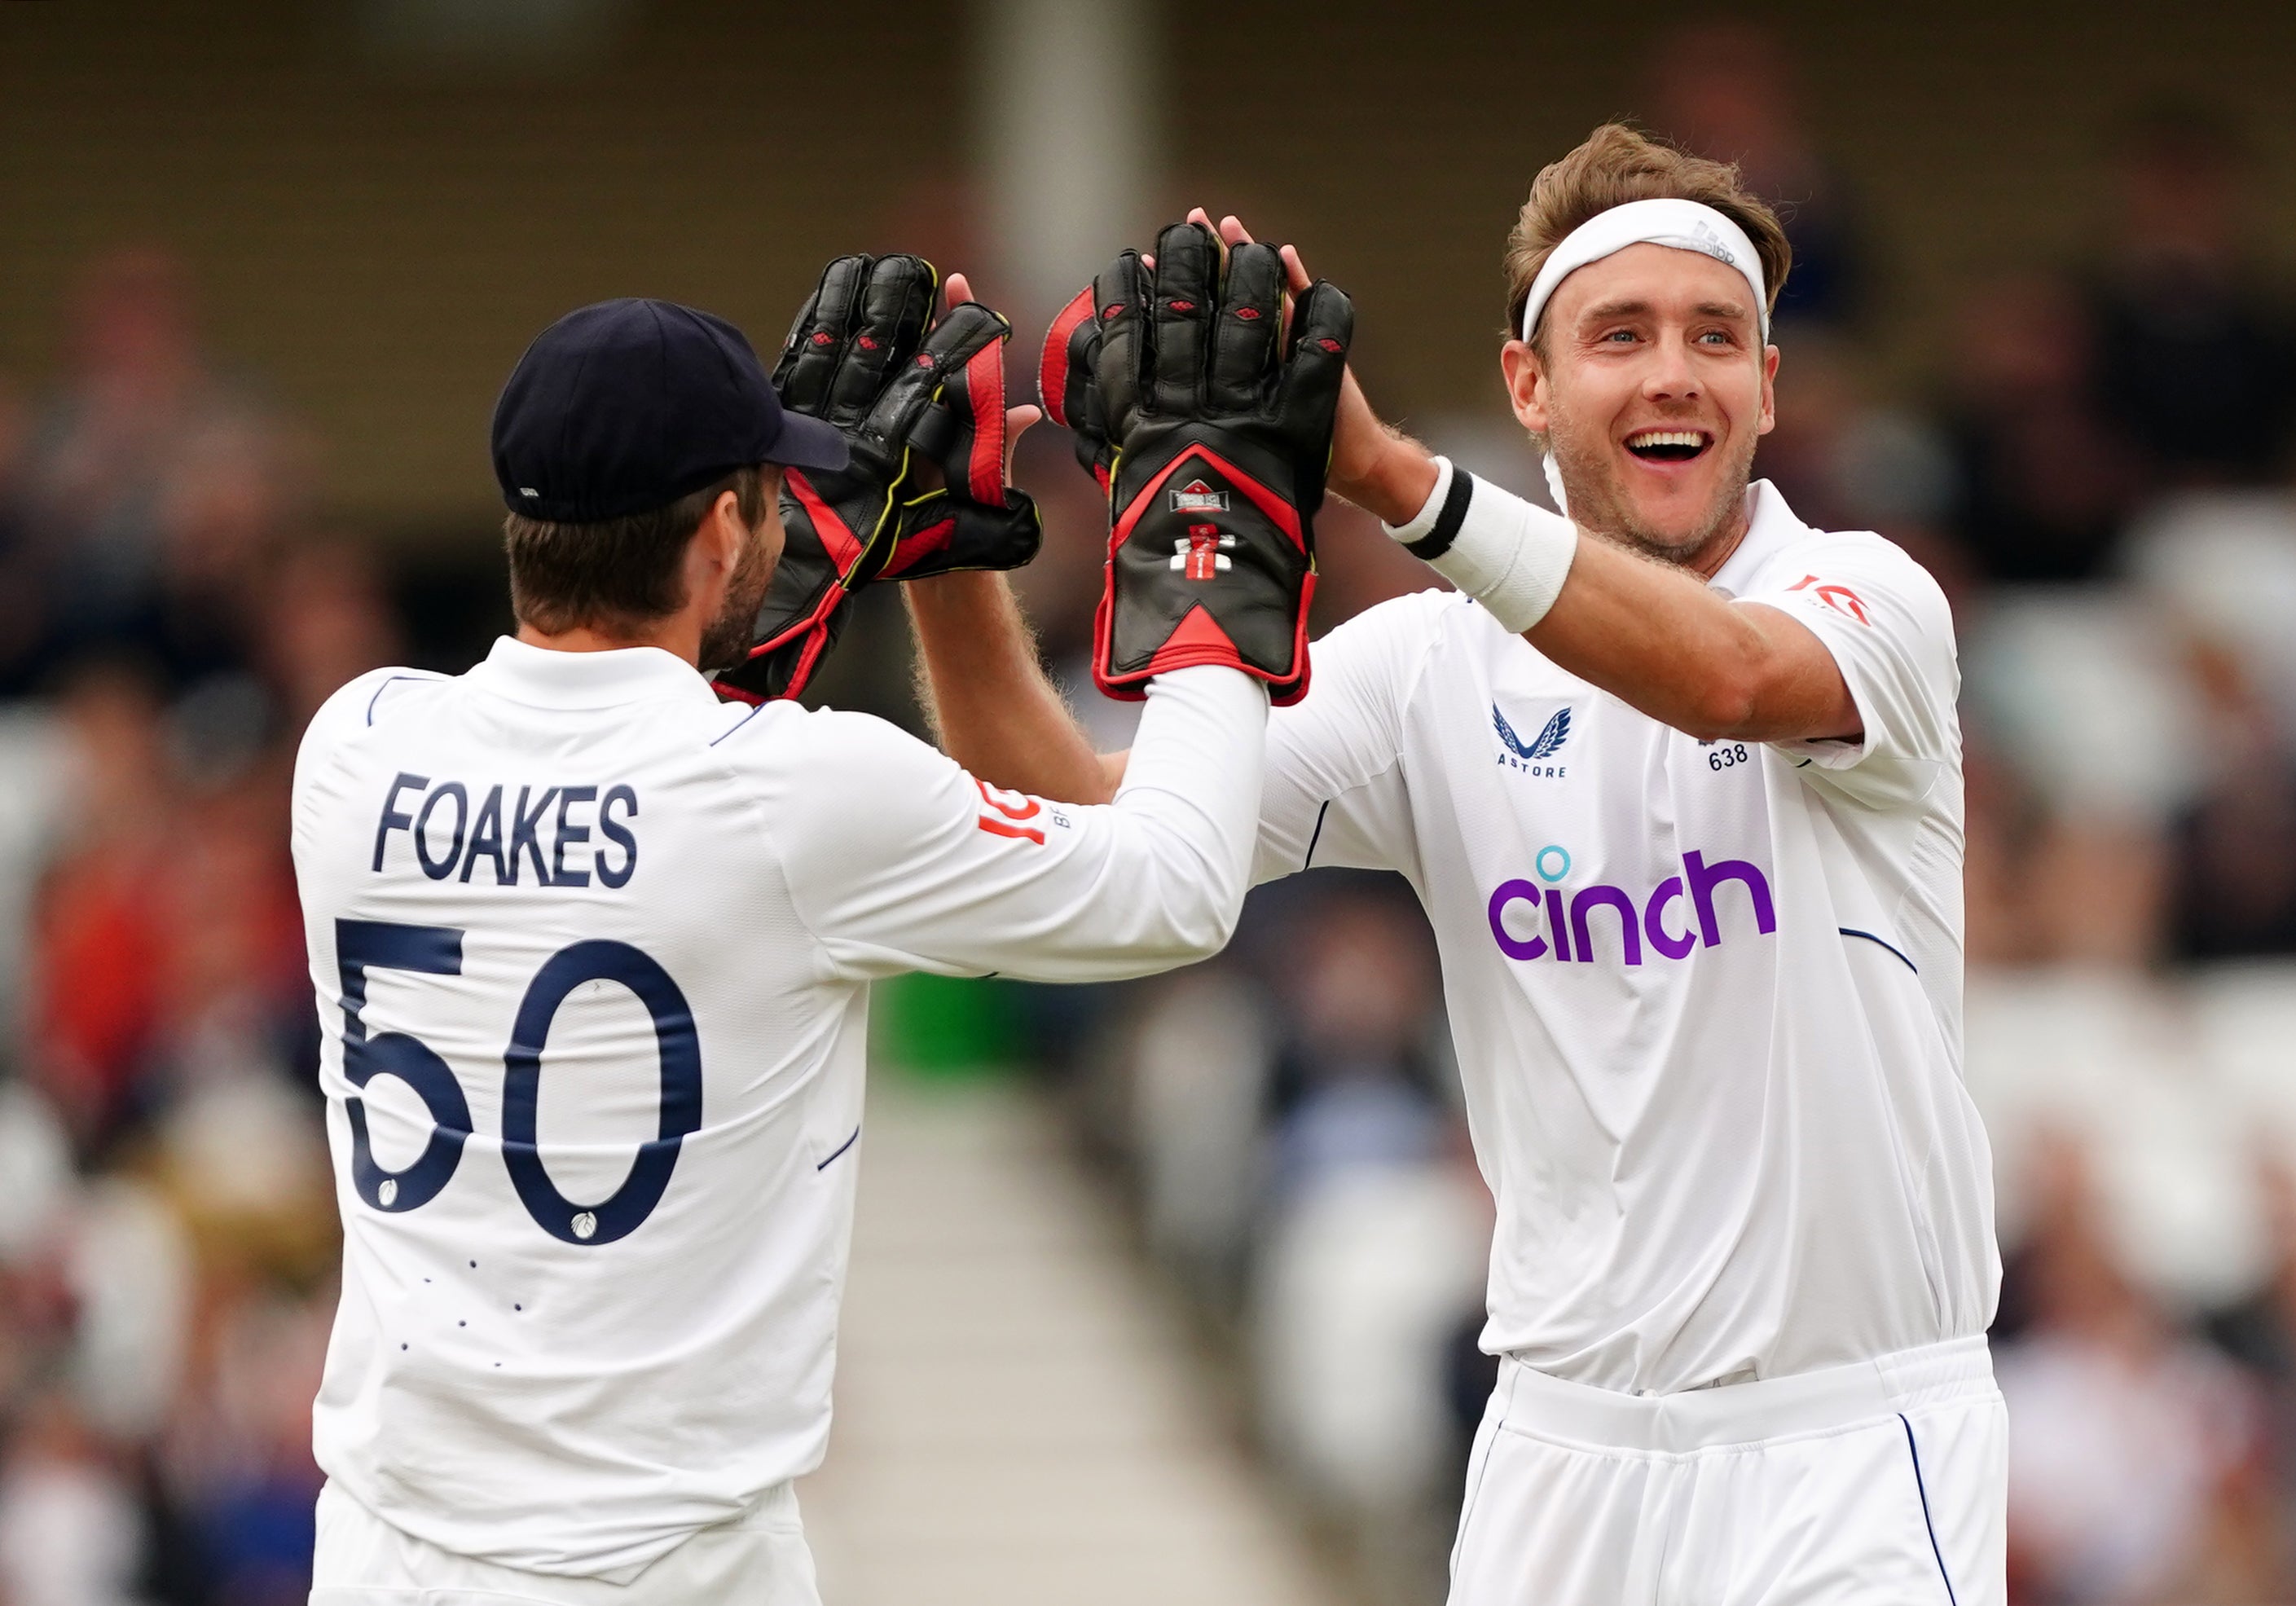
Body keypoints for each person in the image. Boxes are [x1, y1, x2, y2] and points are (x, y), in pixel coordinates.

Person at [911, 125, 2004, 1603]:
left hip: (1847, 1448)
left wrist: (1394, 484)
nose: (1673, 372)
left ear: (1765, 390)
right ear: (1529, 388)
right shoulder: (1427, 670)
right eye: (1619, 333)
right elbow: (1087, 837)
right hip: (1557, 1459)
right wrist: (943, 558)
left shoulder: (1866, 596)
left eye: (1714, 337)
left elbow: (1731, 683)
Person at [290, 272, 1313, 1602]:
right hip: (665, 1565)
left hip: (384, 1548)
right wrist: (1212, 525)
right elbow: (1173, 886)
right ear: (720, 531)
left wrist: (880, 561)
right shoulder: (798, 794)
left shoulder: (353, 745)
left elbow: (632, 794)